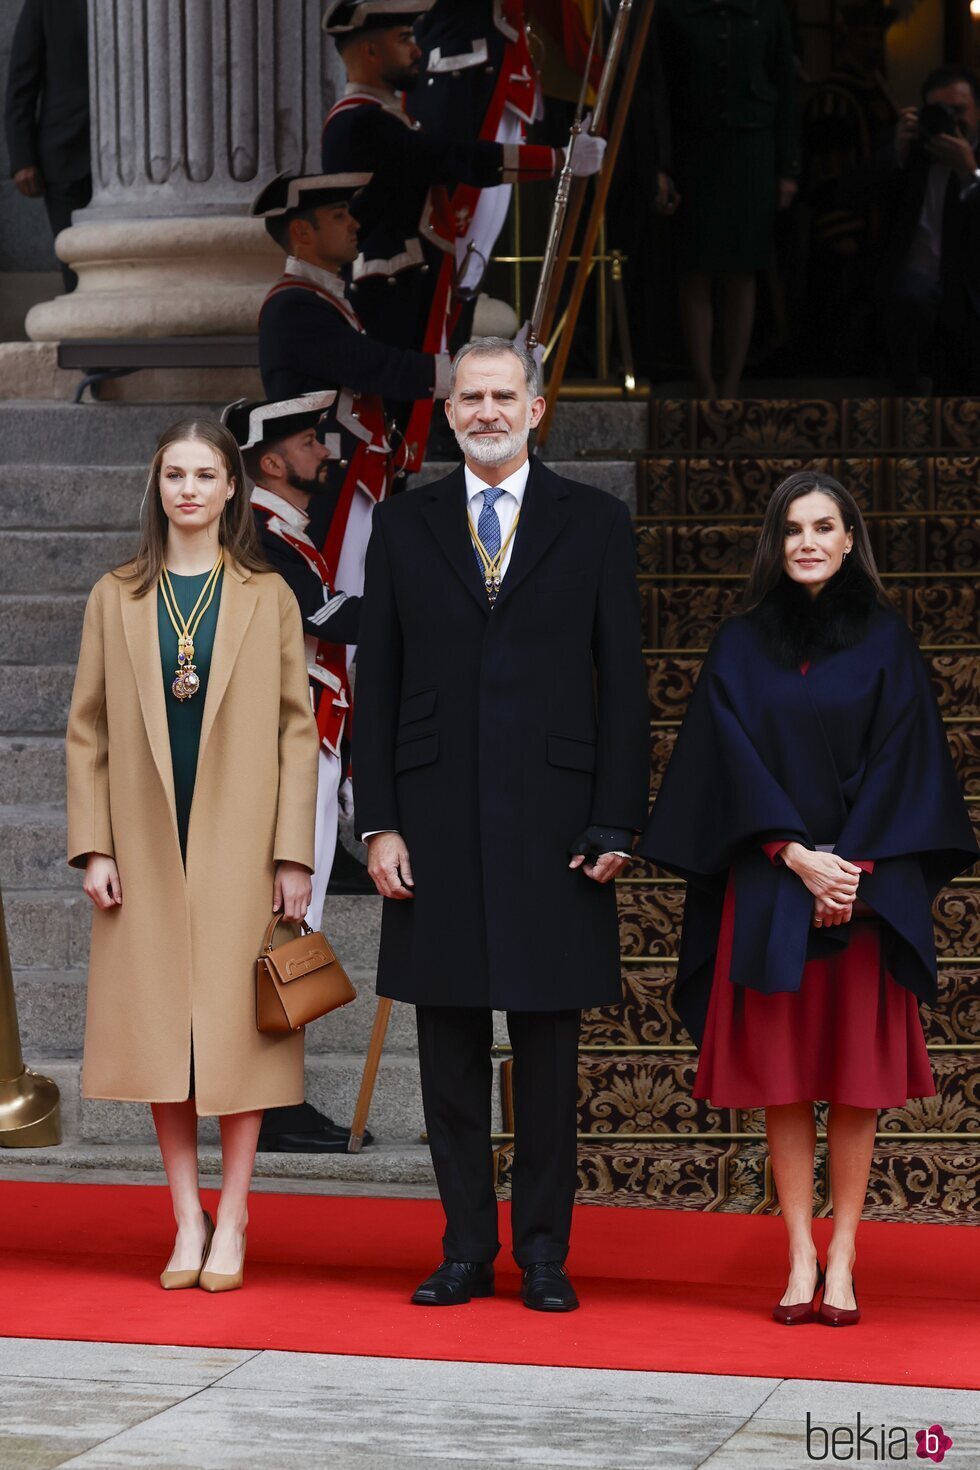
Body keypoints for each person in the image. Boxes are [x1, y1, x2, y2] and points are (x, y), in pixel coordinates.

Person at [352, 336, 650, 1311]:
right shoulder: (401, 528)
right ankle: (465, 1252)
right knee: (444, 1051)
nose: (484, 410)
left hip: (556, 823)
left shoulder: (596, 524)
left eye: (501, 395)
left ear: (534, 408)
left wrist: (615, 818)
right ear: (448, 413)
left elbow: (624, 688)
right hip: (431, 821)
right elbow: (379, 684)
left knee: (547, 1050)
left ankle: (545, 1256)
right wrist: (377, 823)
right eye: (468, 397)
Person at [639, 471, 978, 1326]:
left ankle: (845, 1257)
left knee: (854, 1086)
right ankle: (797, 1254)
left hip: (865, 889)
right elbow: (727, 760)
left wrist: (848, 869)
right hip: (770, 879)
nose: (808, 542)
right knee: (786, 1083)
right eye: (793, 528)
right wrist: (795, 855)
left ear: (852, 538)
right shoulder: (740, 644)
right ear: (774, 541)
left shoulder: (887, 641)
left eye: (825, 526)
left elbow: (909, 762)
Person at [66, 418, 319, 1292]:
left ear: (231, 489)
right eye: (174, 474)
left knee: (236, 1039)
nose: (188, 490)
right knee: (160, 1039)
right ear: (157, 487)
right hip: (142, 844)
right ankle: (185, 1216)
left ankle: (237, 1213)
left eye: (205, 474)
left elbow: (298, 732)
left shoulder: (266, 595)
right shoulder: (117, 595)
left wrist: (295, 854)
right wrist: (91, 845)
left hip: (242, 848)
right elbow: (86, 730)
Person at [320, 0, 605, 466]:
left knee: (402, 445)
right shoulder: (359, 121)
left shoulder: (388, 118)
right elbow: (454, 158)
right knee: (389, 440)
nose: (418, 49)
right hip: (388, 290)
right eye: (404, 40)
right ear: (370, 52)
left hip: (411, 288)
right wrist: (558, 160)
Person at [254, 169, 447, 545]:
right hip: (326, 484)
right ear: (302, 232)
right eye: (339, 215)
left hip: (347, 477)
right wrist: (480, 372)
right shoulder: (293, 305)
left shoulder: (320, 298)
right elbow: (376, 367)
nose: (355, 223)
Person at [653, 0, 801, 397]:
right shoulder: (675, 12)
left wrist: (788, 167)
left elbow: (786, 83)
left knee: (743, 267)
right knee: (696, 267)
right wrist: (661, 163)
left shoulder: (768, 11)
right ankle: (704, 379)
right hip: (695, 149)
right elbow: (660, 89)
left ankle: (732, 383)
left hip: (752, 150)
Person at [800, 2, 899, 374]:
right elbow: (826, 173)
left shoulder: (879, 92)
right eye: (864, 37)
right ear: (847, 40)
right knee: (836, 317)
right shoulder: (834, 97)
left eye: (878, 37)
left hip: (880, 226)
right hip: (847, 230)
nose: (872, 44)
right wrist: (837, 226)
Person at [873, 66, 980, 393]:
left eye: (958, 111)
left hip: (969, 294)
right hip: (911, 295)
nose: (951, 120)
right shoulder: (911, 154)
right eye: (939, 112)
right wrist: (897, 152)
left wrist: (971, 172)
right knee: (912, 299)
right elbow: (847, 193)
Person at [3, 0, 91, 292]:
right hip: (66, 156)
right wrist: (22, 157)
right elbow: (22, 81)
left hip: (133, 157)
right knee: (76, 267)